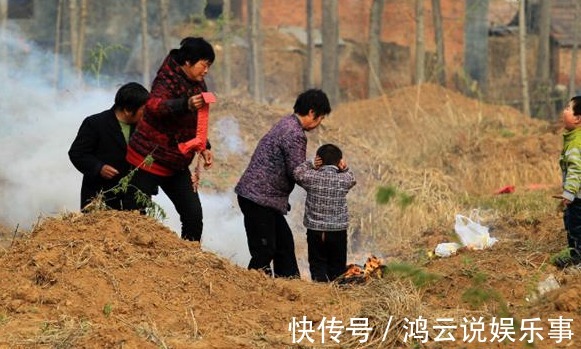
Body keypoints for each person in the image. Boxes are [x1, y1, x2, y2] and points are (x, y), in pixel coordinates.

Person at [126, 37, 215, 242]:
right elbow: (154, 106)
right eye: (204, 64)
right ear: (188, 62)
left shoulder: (198, 83)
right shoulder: (166, 78)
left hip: (176, 161)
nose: (206, 71)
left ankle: (190, 259)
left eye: (209, 66)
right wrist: (185, 104)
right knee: (136, 215)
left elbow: (197, 119)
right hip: (148, 158)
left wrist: (203, 145)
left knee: (193, 215)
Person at [235, 89, 331, 278]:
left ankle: (289, 287)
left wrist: (310, 165)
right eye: (320, 118)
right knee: (265, 251)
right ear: (312, 112)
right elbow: (297, 172)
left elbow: (293, 165)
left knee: (284, 246)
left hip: (261, 198)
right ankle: (252, 291)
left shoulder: (286, 123)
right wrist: (326, 183)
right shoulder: (295, 134)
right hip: (259, 199)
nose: (319, 123)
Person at [68, 82, 150, 211]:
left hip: (133, 198)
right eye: (143, 110)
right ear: (128, 110)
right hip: (100, 197)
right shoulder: (95, 123)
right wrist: (98, 167)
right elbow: (77, 153)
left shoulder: (144, 128)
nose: (146, 114)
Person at [294, 144, 356, 282]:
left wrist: (310, 163)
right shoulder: (344, 179)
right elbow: (352, 178)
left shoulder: (311, 177)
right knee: (337, 266)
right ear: (340, 161)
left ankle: (319, 292)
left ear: (319, 160)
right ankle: (336, 293)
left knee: (317, 264)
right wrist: (345, 169)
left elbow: (297, 173)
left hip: (315, 230)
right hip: (337, 231)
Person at [555, 95, 581, 268]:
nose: (564, 110)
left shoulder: (575, 143)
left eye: (567, 108)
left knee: (576, 226)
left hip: (578, 197)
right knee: (570, 222)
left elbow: (576, 170)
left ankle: (577, 256)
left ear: (578, 119)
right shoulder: (573, 138)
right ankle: (574, 251)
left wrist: (569, 193)